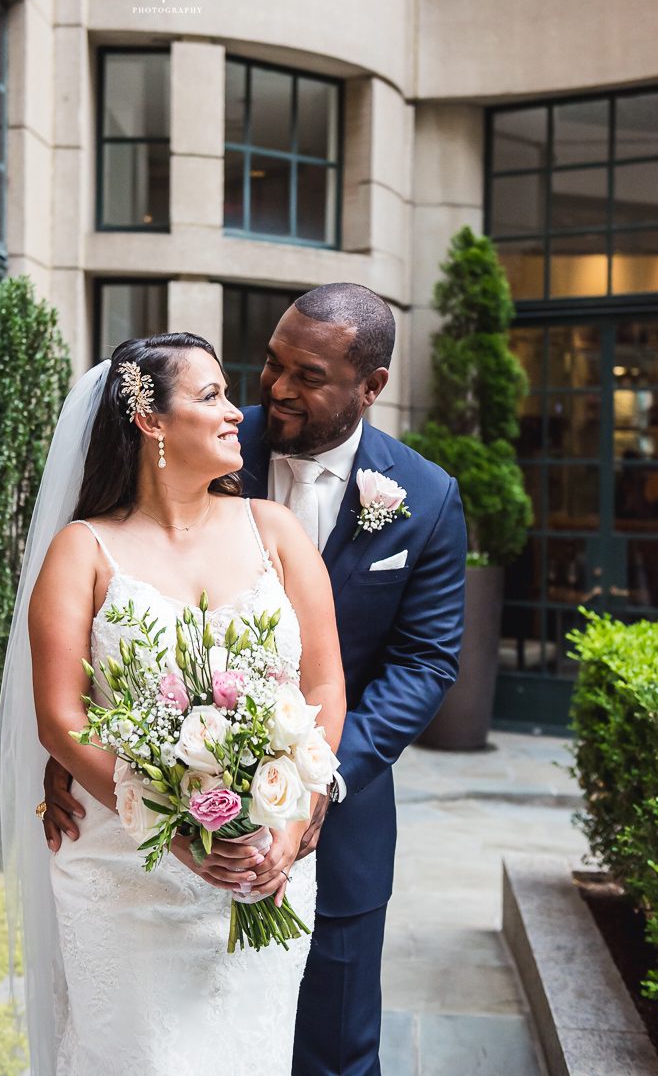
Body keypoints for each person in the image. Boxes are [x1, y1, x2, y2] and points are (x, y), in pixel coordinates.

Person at [44, 286, 467, 1075]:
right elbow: (82, 667)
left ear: (371, 385)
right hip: (141, 857)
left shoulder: (427, 497)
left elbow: (424, 663)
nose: (271, 390)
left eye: (307, 375)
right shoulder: (208, 438)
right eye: (270, 363)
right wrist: (109, 761)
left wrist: (305, 786)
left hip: (328, 822)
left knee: (333, 1050)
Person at [0, 332, 346, 1076]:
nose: (236, 412)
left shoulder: (275, 531)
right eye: (211, 396)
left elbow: (322, 686)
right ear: (150, 420)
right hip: (127, 874)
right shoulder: (83, 550)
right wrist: (174, 831)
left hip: (263, 865)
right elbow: (61, 719)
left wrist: (291, 823)